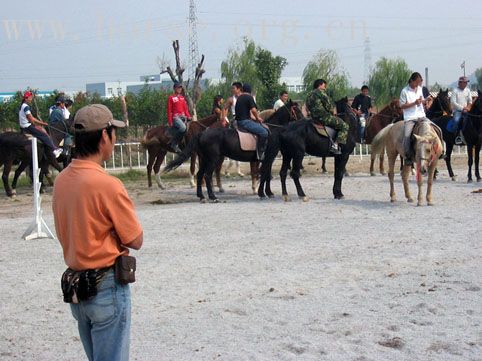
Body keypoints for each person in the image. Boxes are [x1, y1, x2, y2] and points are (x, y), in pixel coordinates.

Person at [52, 104, 143, 361]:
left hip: (78, 288)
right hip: (106, 287)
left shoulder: (61, 180)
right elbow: (135, 239)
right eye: (114, 133)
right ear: (104, 135)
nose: (115, 139)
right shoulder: (108, 184)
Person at [305, 79, 349, 154]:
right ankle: (335, 145)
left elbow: (307, 107)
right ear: (320, 85)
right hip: (324, 117)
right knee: (344, 126)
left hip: (313, 118)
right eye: (324, 85)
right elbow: (329, 106)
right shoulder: (321, 93)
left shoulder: (309, 94)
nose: (325, 88)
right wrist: (333, 112)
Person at [399, 72, 433, 164]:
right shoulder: (404, 91)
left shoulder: (420, 89)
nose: (418, 85)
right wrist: (414, 103)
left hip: (421, 116)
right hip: (410, 118)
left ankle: (440, 151)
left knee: (436, 129)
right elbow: (402, 106)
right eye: (417, 82)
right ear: (412, 81)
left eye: (419, 83)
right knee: (406, 136)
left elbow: (420, 101)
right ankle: (408, 156)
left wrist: (425, 100)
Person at [18, 90, 62, 158]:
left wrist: (43, 123)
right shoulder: (26, 107)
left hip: (24, 126)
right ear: (27, 98)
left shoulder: (22, 105)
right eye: (30, 97)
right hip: (27, 126)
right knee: (44, 135)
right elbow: (31, 119)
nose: (31, 99)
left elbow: (32, 118)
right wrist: (38, 125)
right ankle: (54, 150)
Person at [235, 83, 269, 161]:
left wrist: (255, 118)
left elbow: (246, 113)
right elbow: (253, 110)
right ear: (250, 91)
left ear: (243, 90)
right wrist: (257, 117)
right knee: (264, 132)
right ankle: (260, 153)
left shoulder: (240, 98)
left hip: (239, 121)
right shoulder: (249, 97)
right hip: (245, 122)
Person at [223, 82, 244, 176]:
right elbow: (225, 108)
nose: (232, 90)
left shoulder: (244, 97)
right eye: (232, 88)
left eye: (233, 88)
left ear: (239, 89)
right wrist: (224, 118)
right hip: (236, 119)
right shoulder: (231, 99)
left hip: (246, 118)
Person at [167, 82, 191, 153]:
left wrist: (189, 116)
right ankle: (174, 144)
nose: (180, 89)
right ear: (174, 88)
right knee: (183, 128)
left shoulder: (182, 98)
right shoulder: (171, 97)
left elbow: (185, 109)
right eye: (178, 87)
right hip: (176, 117)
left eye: (180, 87)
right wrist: (170, 121)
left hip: (183, 117)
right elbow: (169, 110)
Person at [450, 76, 472, 145]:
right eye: (464, 82)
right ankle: (457, 136)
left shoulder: (468, 90)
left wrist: (468, 107)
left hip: (466, 110)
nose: (466, 84)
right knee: (456, 120)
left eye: (466, 82)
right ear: (460, 83)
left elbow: (470, 101)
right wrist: (463, 108)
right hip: (457, 111)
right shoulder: (455, 90)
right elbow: (453, 102)